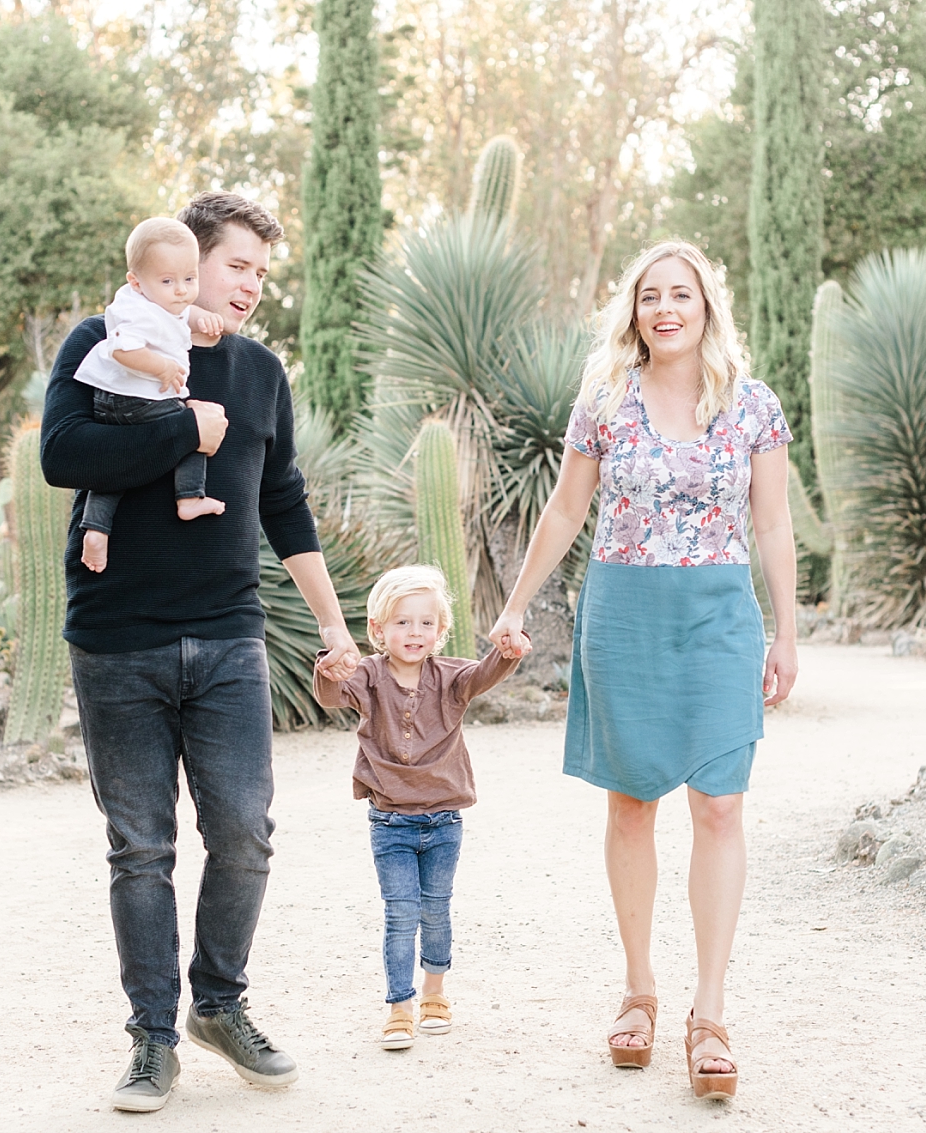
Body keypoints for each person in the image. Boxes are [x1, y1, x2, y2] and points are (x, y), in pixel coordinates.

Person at [39, 192, 362, 1114]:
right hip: (117, 639)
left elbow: (283, 500)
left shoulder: (260, 372)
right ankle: (152, 1038)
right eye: (237, 265)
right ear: (185, 263)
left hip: (228, 637)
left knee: (246, 835)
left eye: (263, 271)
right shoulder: (104, 340)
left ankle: (218, 1003)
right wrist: (185, 427)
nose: (251, 284)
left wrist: (335, 627)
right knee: (141, 848)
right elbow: (64, 454)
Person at [487, 240, 799, 1100]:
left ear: (707, 307)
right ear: (634, 311)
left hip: (719, 616)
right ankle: (638, 989)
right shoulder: (605, 400)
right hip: (624, 612)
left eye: (681, 294)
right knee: (631, 805)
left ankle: (711, 1011)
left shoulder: (754, 405)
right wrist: (514, 606)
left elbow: (773, 524)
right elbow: (565, 509)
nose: (666, 308)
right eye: (650, 295)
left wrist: (786, 632)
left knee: (721, 803)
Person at [310, 566, 527, 1051]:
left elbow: (486, 673)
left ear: (441, 629)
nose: (415, 632)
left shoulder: (452, 678)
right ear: (378, 628)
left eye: (426, 623)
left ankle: (435, 994)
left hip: (445, 820)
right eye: (402, 622)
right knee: (400, 913)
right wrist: (330, 666)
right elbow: (331, 695)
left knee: (436, 910)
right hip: (390, 823)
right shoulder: (367, 675)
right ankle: (399, 1007)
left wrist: (507, 650)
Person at [73, 217, 229, 574]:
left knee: (114, 468)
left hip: (112, 401)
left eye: (190, 279)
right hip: (136, 399)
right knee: (195, 429)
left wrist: (201, 317)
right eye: (168, 281)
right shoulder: (139, 314)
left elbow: (182, 312)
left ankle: (96, 530)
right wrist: (161, 368)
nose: (181, 291)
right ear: (136, 282)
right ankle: (189, 497)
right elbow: (121, 350)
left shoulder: (152, 299)